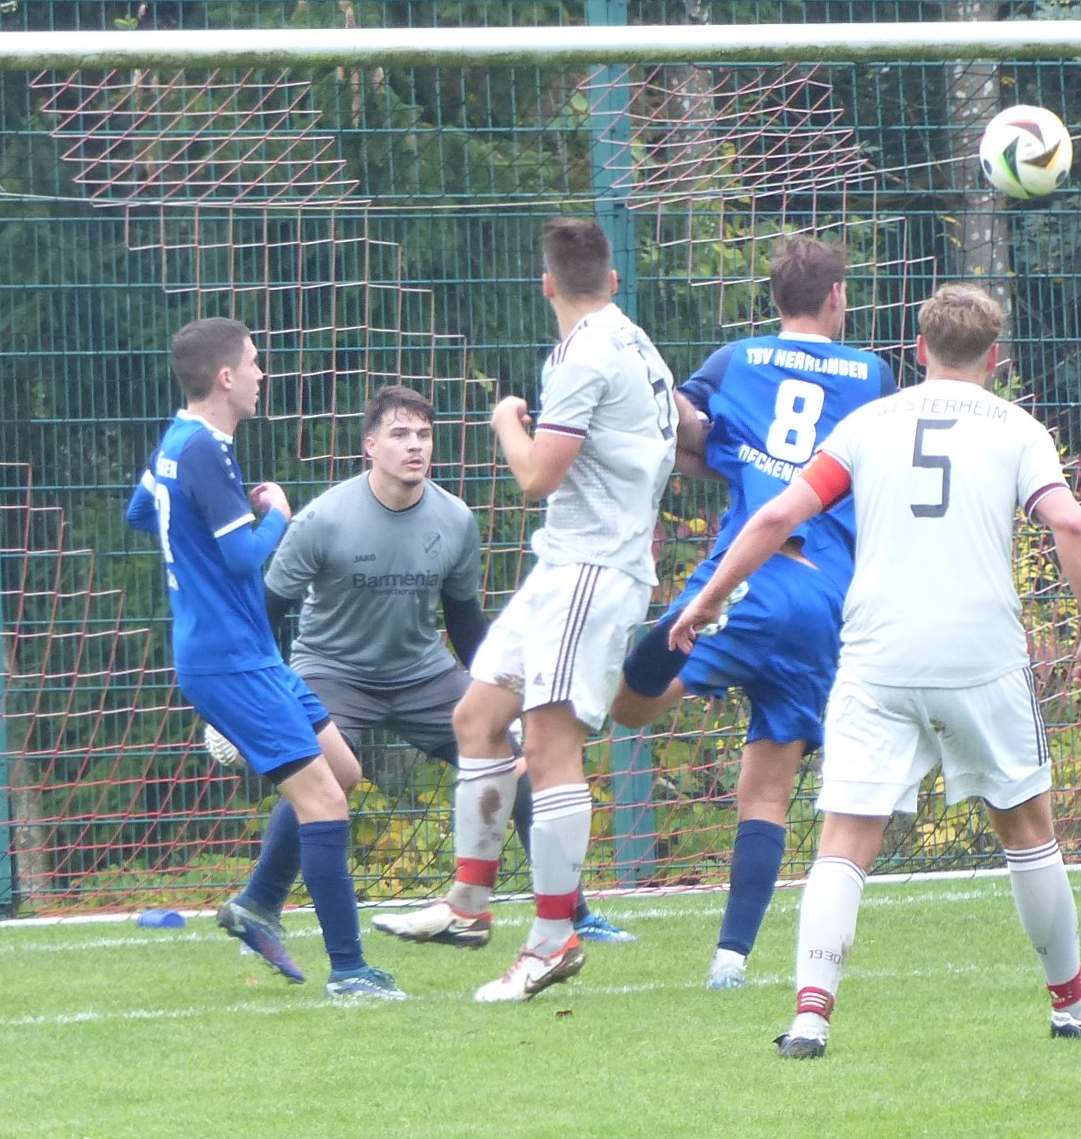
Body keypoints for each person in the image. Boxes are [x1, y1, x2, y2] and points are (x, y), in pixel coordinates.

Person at [672, 284, 1081, 1058]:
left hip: (877, 657)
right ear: (995, 357)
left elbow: (778, 515)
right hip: (979, 657)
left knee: (845, 837)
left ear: (918, 351)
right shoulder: (1017, 429)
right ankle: (1072, 1006)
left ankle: (810, 1018)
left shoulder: (867, 424)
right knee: (1026, 829)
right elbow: (1070, 524)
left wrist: (707, 599)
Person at [374, 218, 677, 1003]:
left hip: (592, 570)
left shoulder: (582, 356)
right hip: (562, 567)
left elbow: (538, 476)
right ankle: (467, 905)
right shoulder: (635, 341)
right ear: (611, 280)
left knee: (549, 749)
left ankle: (552, 938)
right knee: (477, 716)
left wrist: (507, 422)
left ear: (545, 284)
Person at [213, 384, 628, 953]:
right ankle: (259, 903)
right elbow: (264, 613)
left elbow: (464, 621)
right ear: (369, 446)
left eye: (424, 435)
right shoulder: (323, 519)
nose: (415, 445)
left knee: (518, 767)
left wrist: (502, 696)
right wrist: (243, 696)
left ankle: (572, 911)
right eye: (400, 434)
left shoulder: (454, 519)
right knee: (324, 777)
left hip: (423, 675)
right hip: (332, 673)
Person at [609, 234, 891, 990]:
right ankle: (730, 959)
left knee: (627, 708)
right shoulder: (873, 374)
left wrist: (716, 446)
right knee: (768, 786)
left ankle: (624, 643)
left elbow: (678, 427)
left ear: (773, 298)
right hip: (827, 596)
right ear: (837, 297)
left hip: (750, 577)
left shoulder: (737, 360)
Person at [125, 316, 402, 1000]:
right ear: (226, 378)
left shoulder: (178, 438)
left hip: (248, 652)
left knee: (343, 769)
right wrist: (279, 511)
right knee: (324, 801)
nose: (261, 374)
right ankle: (349, 972)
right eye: (253, 363)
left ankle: (257, 903)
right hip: (230, 660)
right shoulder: (205, 451)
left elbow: (141, 511)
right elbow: (243, 555)